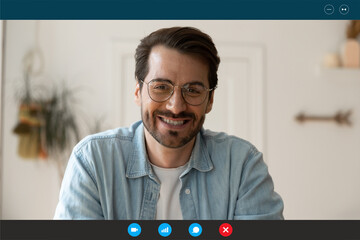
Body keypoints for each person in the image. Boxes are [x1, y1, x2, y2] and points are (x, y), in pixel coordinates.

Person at [54, 26, 284, 220]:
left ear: (210, 100)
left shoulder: (243, 165)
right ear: (138, 91)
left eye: (192, 90)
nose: (176, 107)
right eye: (161, 87)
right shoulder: (93, 160)